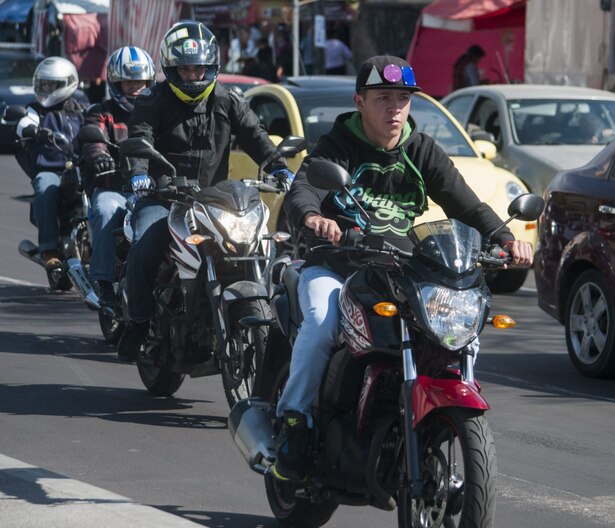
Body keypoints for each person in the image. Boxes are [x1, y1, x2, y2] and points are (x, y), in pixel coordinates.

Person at [272, 55, 534, 482]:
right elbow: (305, 188)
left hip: (398, 272)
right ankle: (295, 422)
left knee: (455, 331)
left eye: (403, 98)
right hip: (336, 266)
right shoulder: (337, 145)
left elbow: (465, 204)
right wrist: (312, 218)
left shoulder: (421, 149)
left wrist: (505, 239)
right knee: (322, 323)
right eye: (383, 98)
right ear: (360, 101)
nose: (394, 108)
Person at [116, 21, 294, 362]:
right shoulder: (153, 100)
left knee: (253, 242)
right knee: (146, 245)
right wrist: (140, 175)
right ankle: (137, 323)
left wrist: (277, 166)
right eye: (184, 68)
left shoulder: (228, 99)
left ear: (212, 67)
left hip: (213, 200)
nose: (193, 75)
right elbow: (139, 139)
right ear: (171, 68)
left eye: (199, 67)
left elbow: (255, 135)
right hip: (163, 198)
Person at [81, 46, 156, 307]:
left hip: (154, 190)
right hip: (115, 187)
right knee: (105, 210)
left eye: (141, 81)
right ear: (116, 82)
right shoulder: (101, 111)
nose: (136, 87)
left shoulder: (159, 111)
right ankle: (103, 284)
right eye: (129, 81)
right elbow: (92, 138)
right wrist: (99, 156)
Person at [15, 56, 85, 274]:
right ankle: (49, 251)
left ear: (68, 83)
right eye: (43, 84)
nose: (46, 88)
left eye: (52, 84)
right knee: (46, 190)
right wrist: (32, 129)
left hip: (82, 166)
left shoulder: (82, 108)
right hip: (50, 168)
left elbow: (97, 123)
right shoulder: (36, 110)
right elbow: (24, 122)